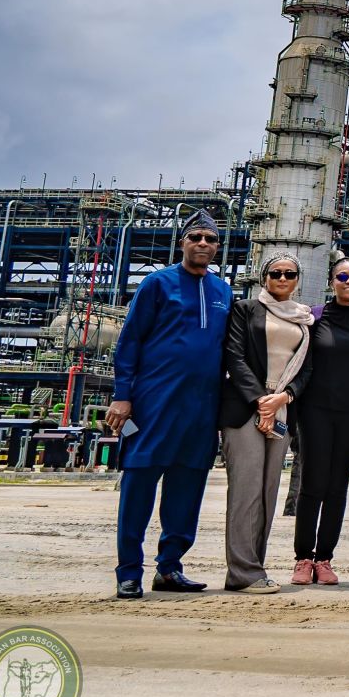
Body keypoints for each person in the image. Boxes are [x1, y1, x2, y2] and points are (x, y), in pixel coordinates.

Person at [107, 209, 232, 598]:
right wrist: (123, 395)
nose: (203, 244)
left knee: (187, 490)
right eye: (196, 237)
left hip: (201, 409)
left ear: (218, 247)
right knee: (139, 486)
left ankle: (170, 567)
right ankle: (129, 571)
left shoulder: (222, 291)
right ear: (183, 243)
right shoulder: (158, 284)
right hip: (154, 403)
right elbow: (130, 341)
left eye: (210, 239)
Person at [220, 252, 315, 593]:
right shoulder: (245, 309)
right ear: (264, 277)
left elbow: (307, 368)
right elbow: (235, 356)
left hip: (282, 409)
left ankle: (254, 568)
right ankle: (242, 572)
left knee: (267, 492)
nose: (282, 278)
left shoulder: (304, 318)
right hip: (247, 409)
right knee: (246, 490)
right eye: (275, 273)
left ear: (297, 280)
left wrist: (283, 398)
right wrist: (261, 401)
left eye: (289, 274)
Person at [291, 257, 349, 585]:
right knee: (312, 484)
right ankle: (303, 558)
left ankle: (324, 558)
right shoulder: (314, 317)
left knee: (338, 487)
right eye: (342, 276)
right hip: (316, 412)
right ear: (331, 281)